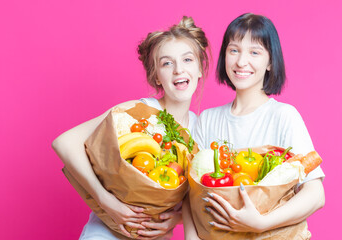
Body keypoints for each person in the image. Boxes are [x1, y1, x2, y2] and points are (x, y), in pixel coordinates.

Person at [52, 16, 210, 240]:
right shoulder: (138, 110)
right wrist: (107, 202)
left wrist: (176, 219)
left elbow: (203, 198)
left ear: (200, 69)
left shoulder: (201, 129)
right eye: (167, 63)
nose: (178, 70)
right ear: (156, 77)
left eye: (187, 60)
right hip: (106, 233)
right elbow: (64, 142)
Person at [183, 13, 325, 239]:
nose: (241, 62)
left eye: (255, 52)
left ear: (270, 62)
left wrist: (261, 223)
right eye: (234, 50)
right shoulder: (207, 120)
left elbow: (316, 194)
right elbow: (191, 193)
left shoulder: (283, 116)